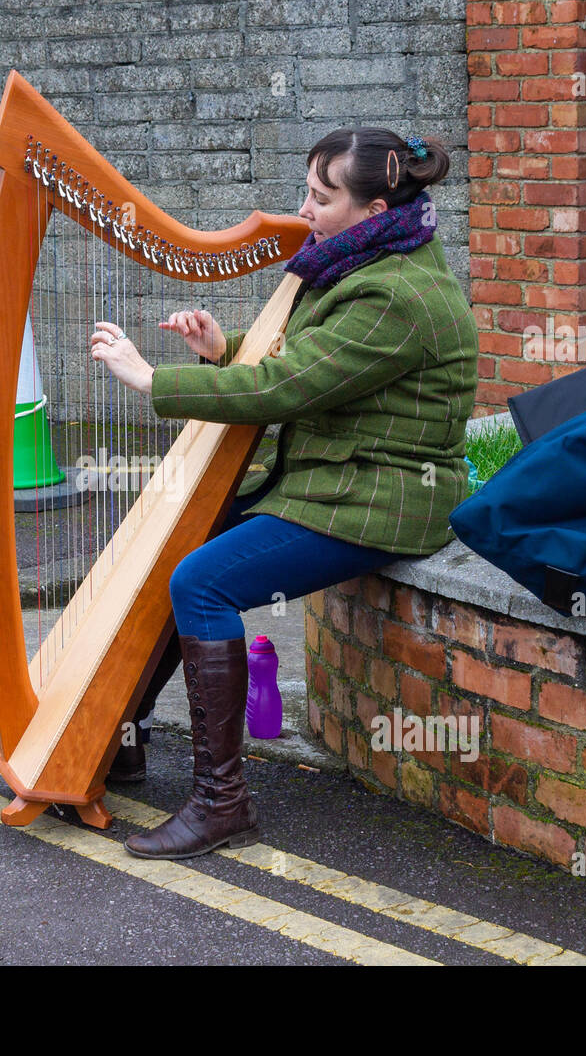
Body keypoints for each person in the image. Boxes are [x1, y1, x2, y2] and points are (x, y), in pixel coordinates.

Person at [89, 127, 479, 859]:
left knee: (200, 580)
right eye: (307, 190)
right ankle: (124, 735)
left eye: (321, 198)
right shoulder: (368, 256)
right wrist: (222, 349)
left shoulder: (395, 293)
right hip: (333, 475)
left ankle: (221, 802)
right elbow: (311, 366)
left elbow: (283, 387)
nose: (303, 209)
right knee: (188, 536)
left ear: (370, 211)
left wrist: (152, 379)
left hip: (380, 496)